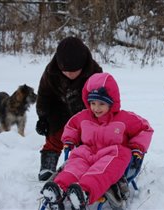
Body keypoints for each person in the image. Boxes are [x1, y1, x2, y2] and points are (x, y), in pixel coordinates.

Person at [40, 72, 154, 210]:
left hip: (111, 154)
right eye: (92, 103)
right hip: (87, 152)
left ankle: (84, 192)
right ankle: (58, 188)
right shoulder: (84, 116)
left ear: (112, 102)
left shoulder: (124, 118)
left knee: (109, 163)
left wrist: (137, 146)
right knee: (74, 165)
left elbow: (145, 129)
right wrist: (70, 139)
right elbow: (72, 126)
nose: (96, 108)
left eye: (101, 103)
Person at [36, 37, 103, 181]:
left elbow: (103, 98)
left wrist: (99, 117)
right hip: (58, 107)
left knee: (85, 140)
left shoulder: (95, 72)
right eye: (65, 71)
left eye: (74, 71)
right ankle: (48, 164)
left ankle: (83, 164)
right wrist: (42, 117)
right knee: (55, 135)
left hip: (85, 110)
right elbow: (44, 94)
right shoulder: (51, 71)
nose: (70, 74)